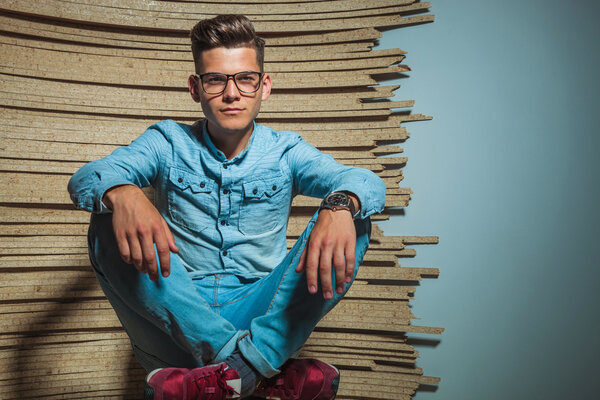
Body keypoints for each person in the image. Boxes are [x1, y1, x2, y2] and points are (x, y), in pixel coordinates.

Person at [68, 14, 386, 400]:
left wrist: (338, 206)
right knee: (105, 218)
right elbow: (88, 177)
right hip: (176, 319)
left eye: (245, 78)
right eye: (216, 79)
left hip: (260, 315)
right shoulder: (166, 141)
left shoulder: (286, 151)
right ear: (196, 88)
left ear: (263, 86)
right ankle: (260, 371)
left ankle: (236, 371)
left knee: (355, 218)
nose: (231, 93)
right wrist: (126, 194)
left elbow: (364, 181)